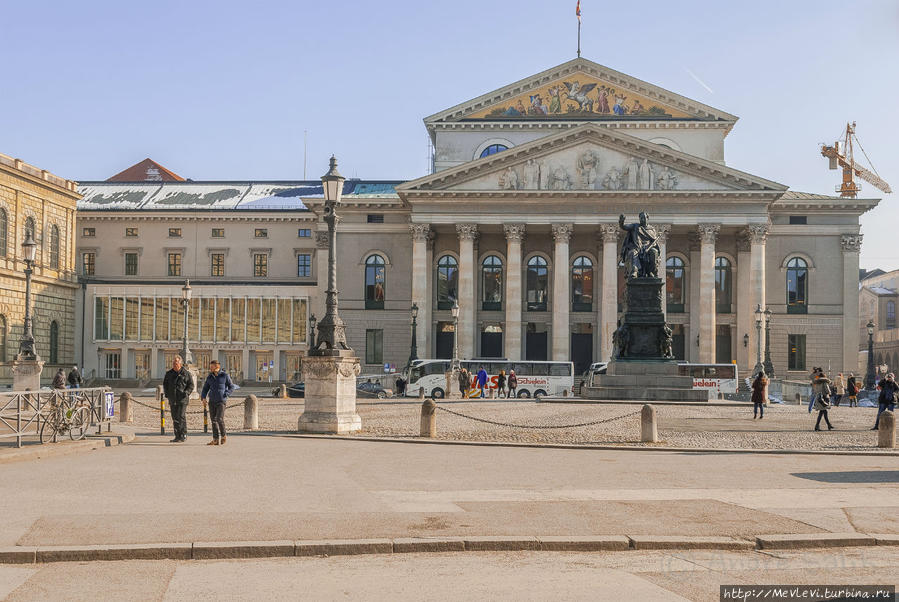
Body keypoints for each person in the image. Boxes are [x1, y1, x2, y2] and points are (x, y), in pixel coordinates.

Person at [201, 360, 235, 445]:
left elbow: (231, 387)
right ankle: (215, 439)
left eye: (211, 367)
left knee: (219, 419)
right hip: (212, 401)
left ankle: (223, 435)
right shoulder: (210, 377)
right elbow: (205, 388)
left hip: (221, 401)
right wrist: (203, 397)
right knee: (213, 420)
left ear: (217, 367)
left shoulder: (224, 375)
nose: (210, 368)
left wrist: (226, 394)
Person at [162, 355, 194, 443]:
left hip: (182, 399)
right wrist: (167, 394)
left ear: (180, 363)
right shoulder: (169, 373)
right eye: (173, 363)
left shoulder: (186, 373)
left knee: (181, 416)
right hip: (173, 399)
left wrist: (186, 393)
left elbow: (191, 385)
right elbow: (165, 384)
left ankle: (183, 434)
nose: (174, 364)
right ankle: (177, 436)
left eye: (176, 363)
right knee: (174, 417)